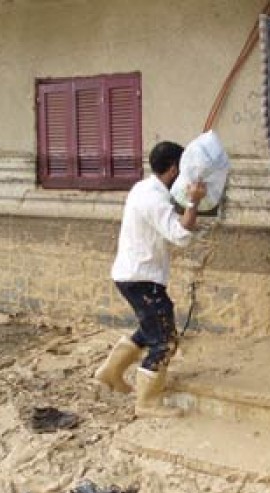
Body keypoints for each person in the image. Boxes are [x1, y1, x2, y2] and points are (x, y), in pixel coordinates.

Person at [95, 141, 206, 417]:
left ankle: (110, 372)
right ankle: (146, 402)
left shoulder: (143, 188)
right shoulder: (154, 199)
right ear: (173, 169)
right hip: (141, 278)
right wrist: (193, 202)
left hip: (131, 274)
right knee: (165, 341)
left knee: (150, 327)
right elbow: (180, 235)